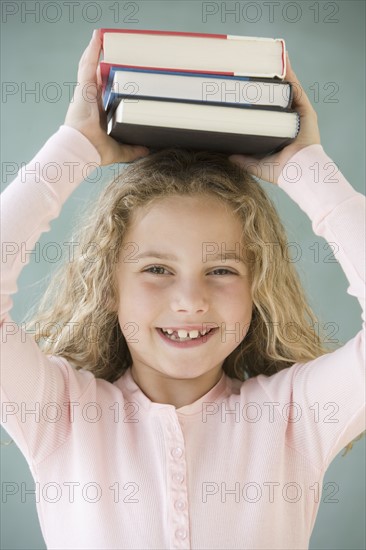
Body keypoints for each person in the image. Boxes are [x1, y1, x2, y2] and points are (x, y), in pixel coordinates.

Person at [0, 29, 364, 550]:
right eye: (156, 270)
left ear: (256, 288)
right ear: (109, 287)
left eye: (221, 271)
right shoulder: (61, 416)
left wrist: (306, 167)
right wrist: (73, 149)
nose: (190, 300)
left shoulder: (293, 419)